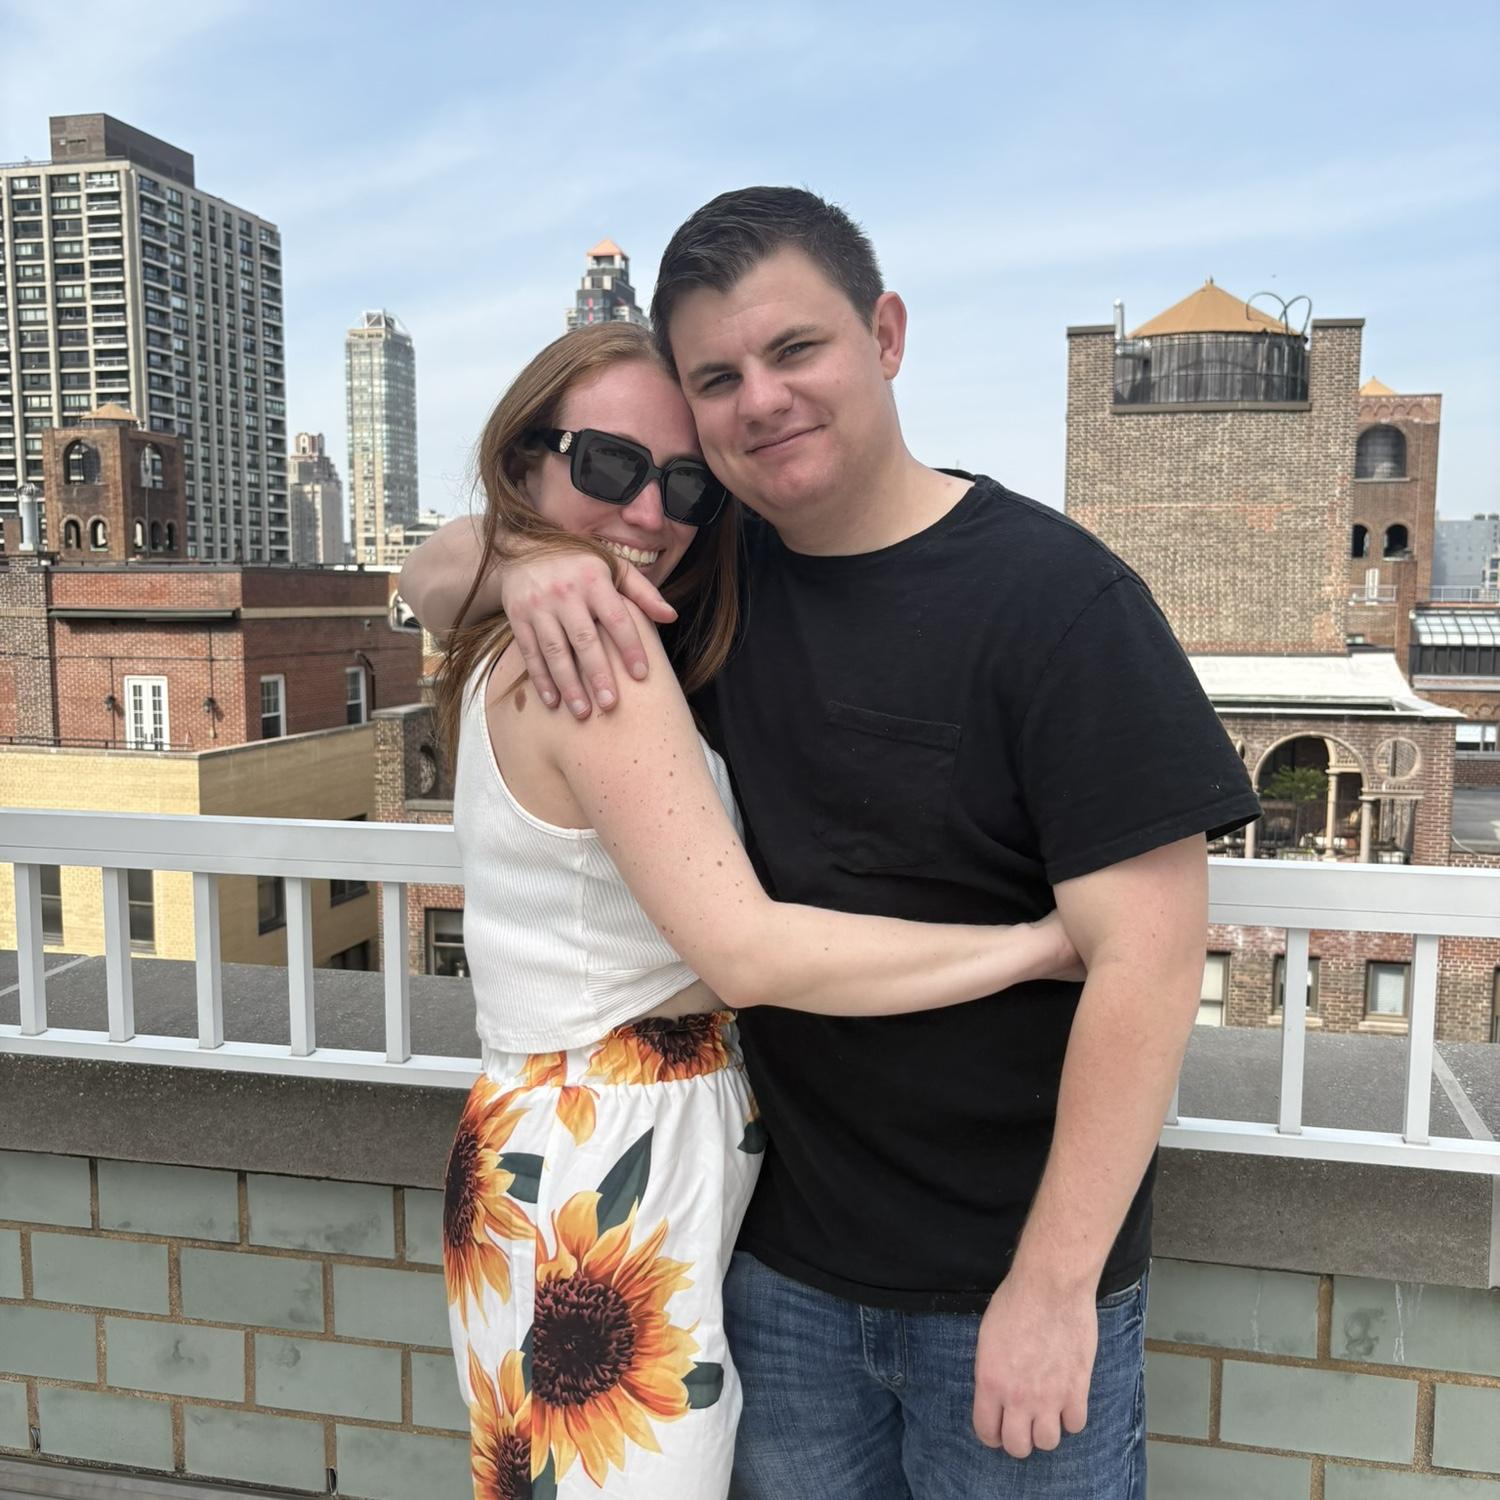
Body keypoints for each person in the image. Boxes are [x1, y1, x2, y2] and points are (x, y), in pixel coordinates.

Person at [404, 192, 1263, 1499]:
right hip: (772, 1267)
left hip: (1000, 1278)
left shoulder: (1060, 602)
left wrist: (1053, 1284)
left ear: (886, 335)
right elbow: (454, 555)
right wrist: (515, 562)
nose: (760, 401)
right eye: (717, 380)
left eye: (795, 349)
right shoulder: (697, 573)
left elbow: (1146, 964)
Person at [432, 320, 1086, 1500]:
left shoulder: (518, 625)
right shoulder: (600, 658)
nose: (648, 511)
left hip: (544, 1139)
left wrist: (519, 555)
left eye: (687, 484)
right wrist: (1037, 947)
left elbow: (429, 572)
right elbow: (747, 952)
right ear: (526, 457)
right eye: (609, 466)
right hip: (610, 1158)